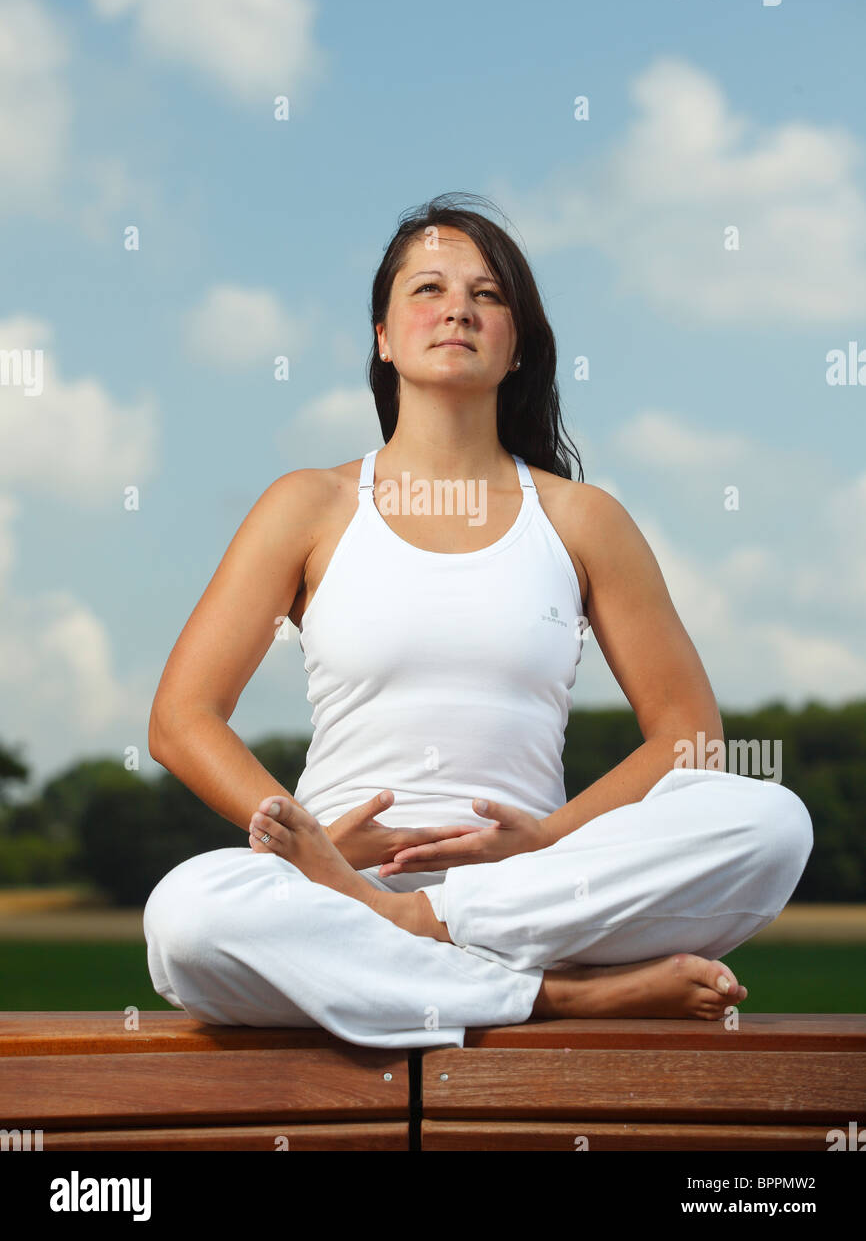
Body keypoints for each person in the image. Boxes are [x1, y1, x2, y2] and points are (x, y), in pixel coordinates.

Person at [143, 192, 813, 1049]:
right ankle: (557, 997)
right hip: (331, 880)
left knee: (771, 825)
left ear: (518, 345)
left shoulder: (582, 519)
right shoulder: (307, 505)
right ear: (382, 339)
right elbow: (179, 719)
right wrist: (301, 836)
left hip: (536, 884)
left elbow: (689, 735)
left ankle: (425, 929)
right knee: (188, 921)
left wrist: (546, 838)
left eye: (487, 294)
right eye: (427, 289)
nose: (457, 306)